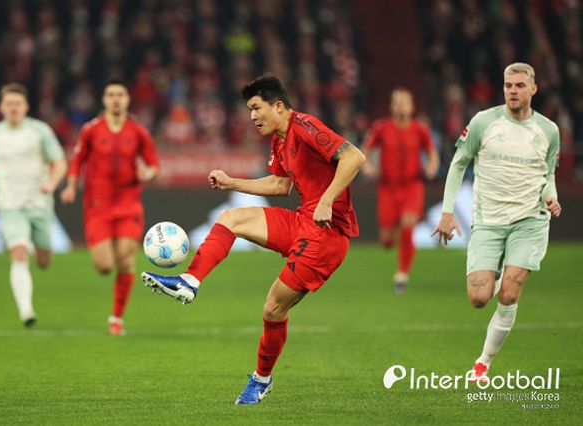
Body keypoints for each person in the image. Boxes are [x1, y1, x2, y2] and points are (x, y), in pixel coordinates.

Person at [141, 76, 366, 404]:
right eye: (249, 110)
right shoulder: (279, 140)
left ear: (279, 106)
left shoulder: (305, 126)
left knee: (273, 308)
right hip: (303, 222)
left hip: (327, 234)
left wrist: (327, 200)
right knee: (230, 218)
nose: (252, 116)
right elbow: (280, 185)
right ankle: (189, 282)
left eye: (257, 108)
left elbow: (354, 157)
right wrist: (232, 182)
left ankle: (261, 380)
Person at [432, 63, 562, 381]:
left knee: (509, 295)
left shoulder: (548, 131)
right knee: (479, 298)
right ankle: (501, 276)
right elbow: (458, 164)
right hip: (488, 220)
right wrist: (447, 212)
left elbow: (548, 174)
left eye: (519, 85)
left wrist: (552, 197)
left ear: (533, 89)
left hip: (530, 220)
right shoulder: (483, 122)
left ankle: (483, 363)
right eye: (508, 85)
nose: (513, 91)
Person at [61, 79, 159, 336]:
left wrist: (148, 174)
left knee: (126, 260)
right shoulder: (91, 130)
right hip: (98, 205)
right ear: (104, 100)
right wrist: (70, 186)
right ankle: (112, 260)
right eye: (111, 94)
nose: (116, 99)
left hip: (128, 204)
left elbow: (153, 164)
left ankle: (116, 318)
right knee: (104, 267)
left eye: (120, 94)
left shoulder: (138, 132)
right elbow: (77, 161)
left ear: (127, 99)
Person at [0, 83, 67, 327]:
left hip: (39, 203)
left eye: (17, 103)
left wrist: (52, 183)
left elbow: (60, 162)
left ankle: (42, 255)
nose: (13, 108)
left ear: (26, 106)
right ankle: (26, 311)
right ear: (1, 107)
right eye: (9, 103)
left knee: (44, 260)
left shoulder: (40, 131)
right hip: (9, 204)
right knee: (19, 252)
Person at [361, 88, 439, 293]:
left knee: (408, 225)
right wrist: (368, 166)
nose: (401, 106)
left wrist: (431, 166)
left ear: (412, 107)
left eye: (405, 102)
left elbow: (432, 153)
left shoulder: (420, 129)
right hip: (387, 189)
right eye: (397, 102)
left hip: (412, 187)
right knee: (387, 241)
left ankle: (402, 275)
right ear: (391, 106)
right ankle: (393, 236)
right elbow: (365, 150)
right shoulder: (381, 127)